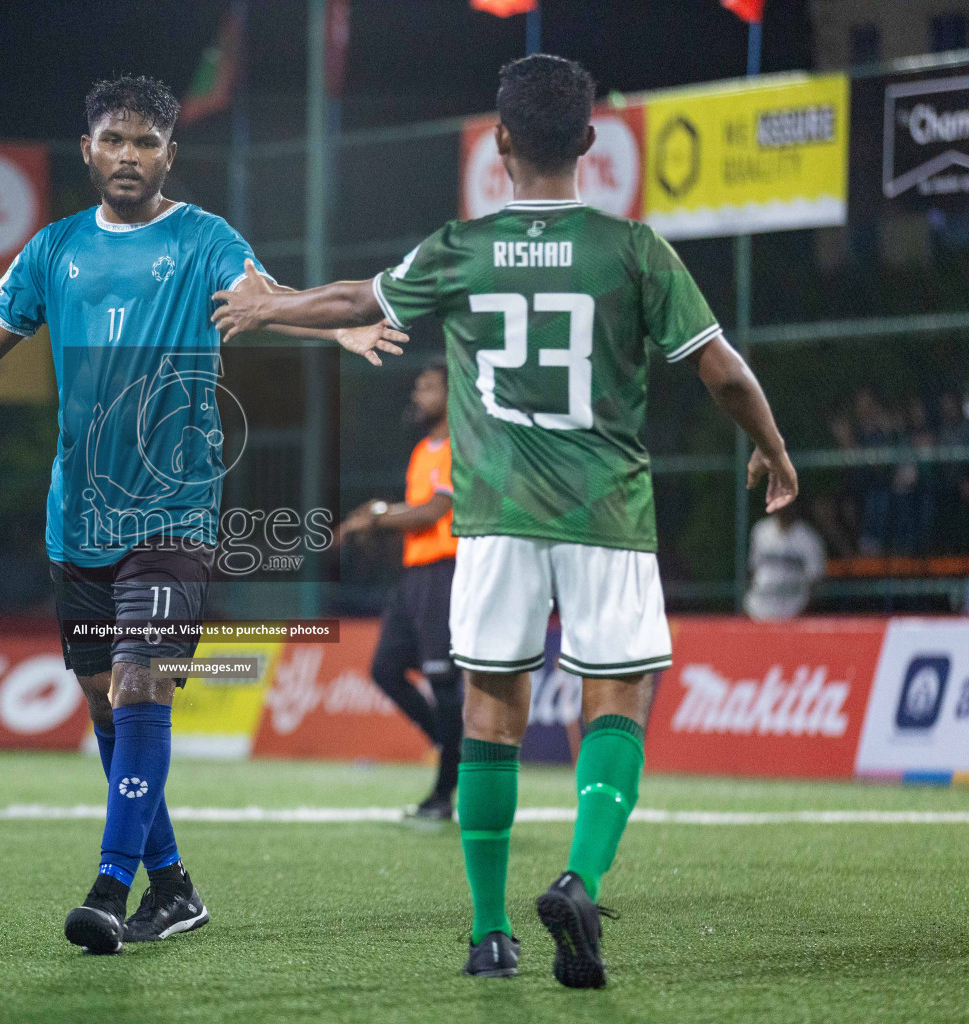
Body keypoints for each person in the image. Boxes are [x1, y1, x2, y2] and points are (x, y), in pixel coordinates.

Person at [212, 54, 797, 987]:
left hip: (493, 523)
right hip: (607, 512)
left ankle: (490, 934)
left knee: (491, 709)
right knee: (619, 697)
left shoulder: (463, 247)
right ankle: (580, 877)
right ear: (592, 144)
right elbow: (720, 367)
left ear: (502, 141)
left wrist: (269, 303)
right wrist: (770, 444)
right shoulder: (635, 249)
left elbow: (362, 299)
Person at [0, 76, 405, 955]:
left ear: (169, 155)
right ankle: (174, 886)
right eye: (114, 139)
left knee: (144, 683)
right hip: (77, 520)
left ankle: (110, 890)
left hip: (173, 514)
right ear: (88, 149)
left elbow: (262, 296)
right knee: (107, 706)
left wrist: (329, 327)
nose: (129, 156)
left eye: (146, 143)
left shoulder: (202, 239)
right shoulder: (53, 250)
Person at [337, 359, 462, 820]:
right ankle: (454, 750)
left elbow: (432, 512)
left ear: (452, 394)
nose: (418, 394)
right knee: (386, 668)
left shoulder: (459, 445)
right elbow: (411, 509)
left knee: (443, 681)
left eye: (428, 386)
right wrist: (374, 515)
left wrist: (374, 518)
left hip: (445, 574)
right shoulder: (421, 451)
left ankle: (444, 791)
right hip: (414, 579)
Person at [744, 502, 826, 621]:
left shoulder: (808, 537)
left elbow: (815, 577)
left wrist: (803, 607)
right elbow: (753, 569)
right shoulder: (761, 530)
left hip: (792, 607)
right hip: (759, 606)